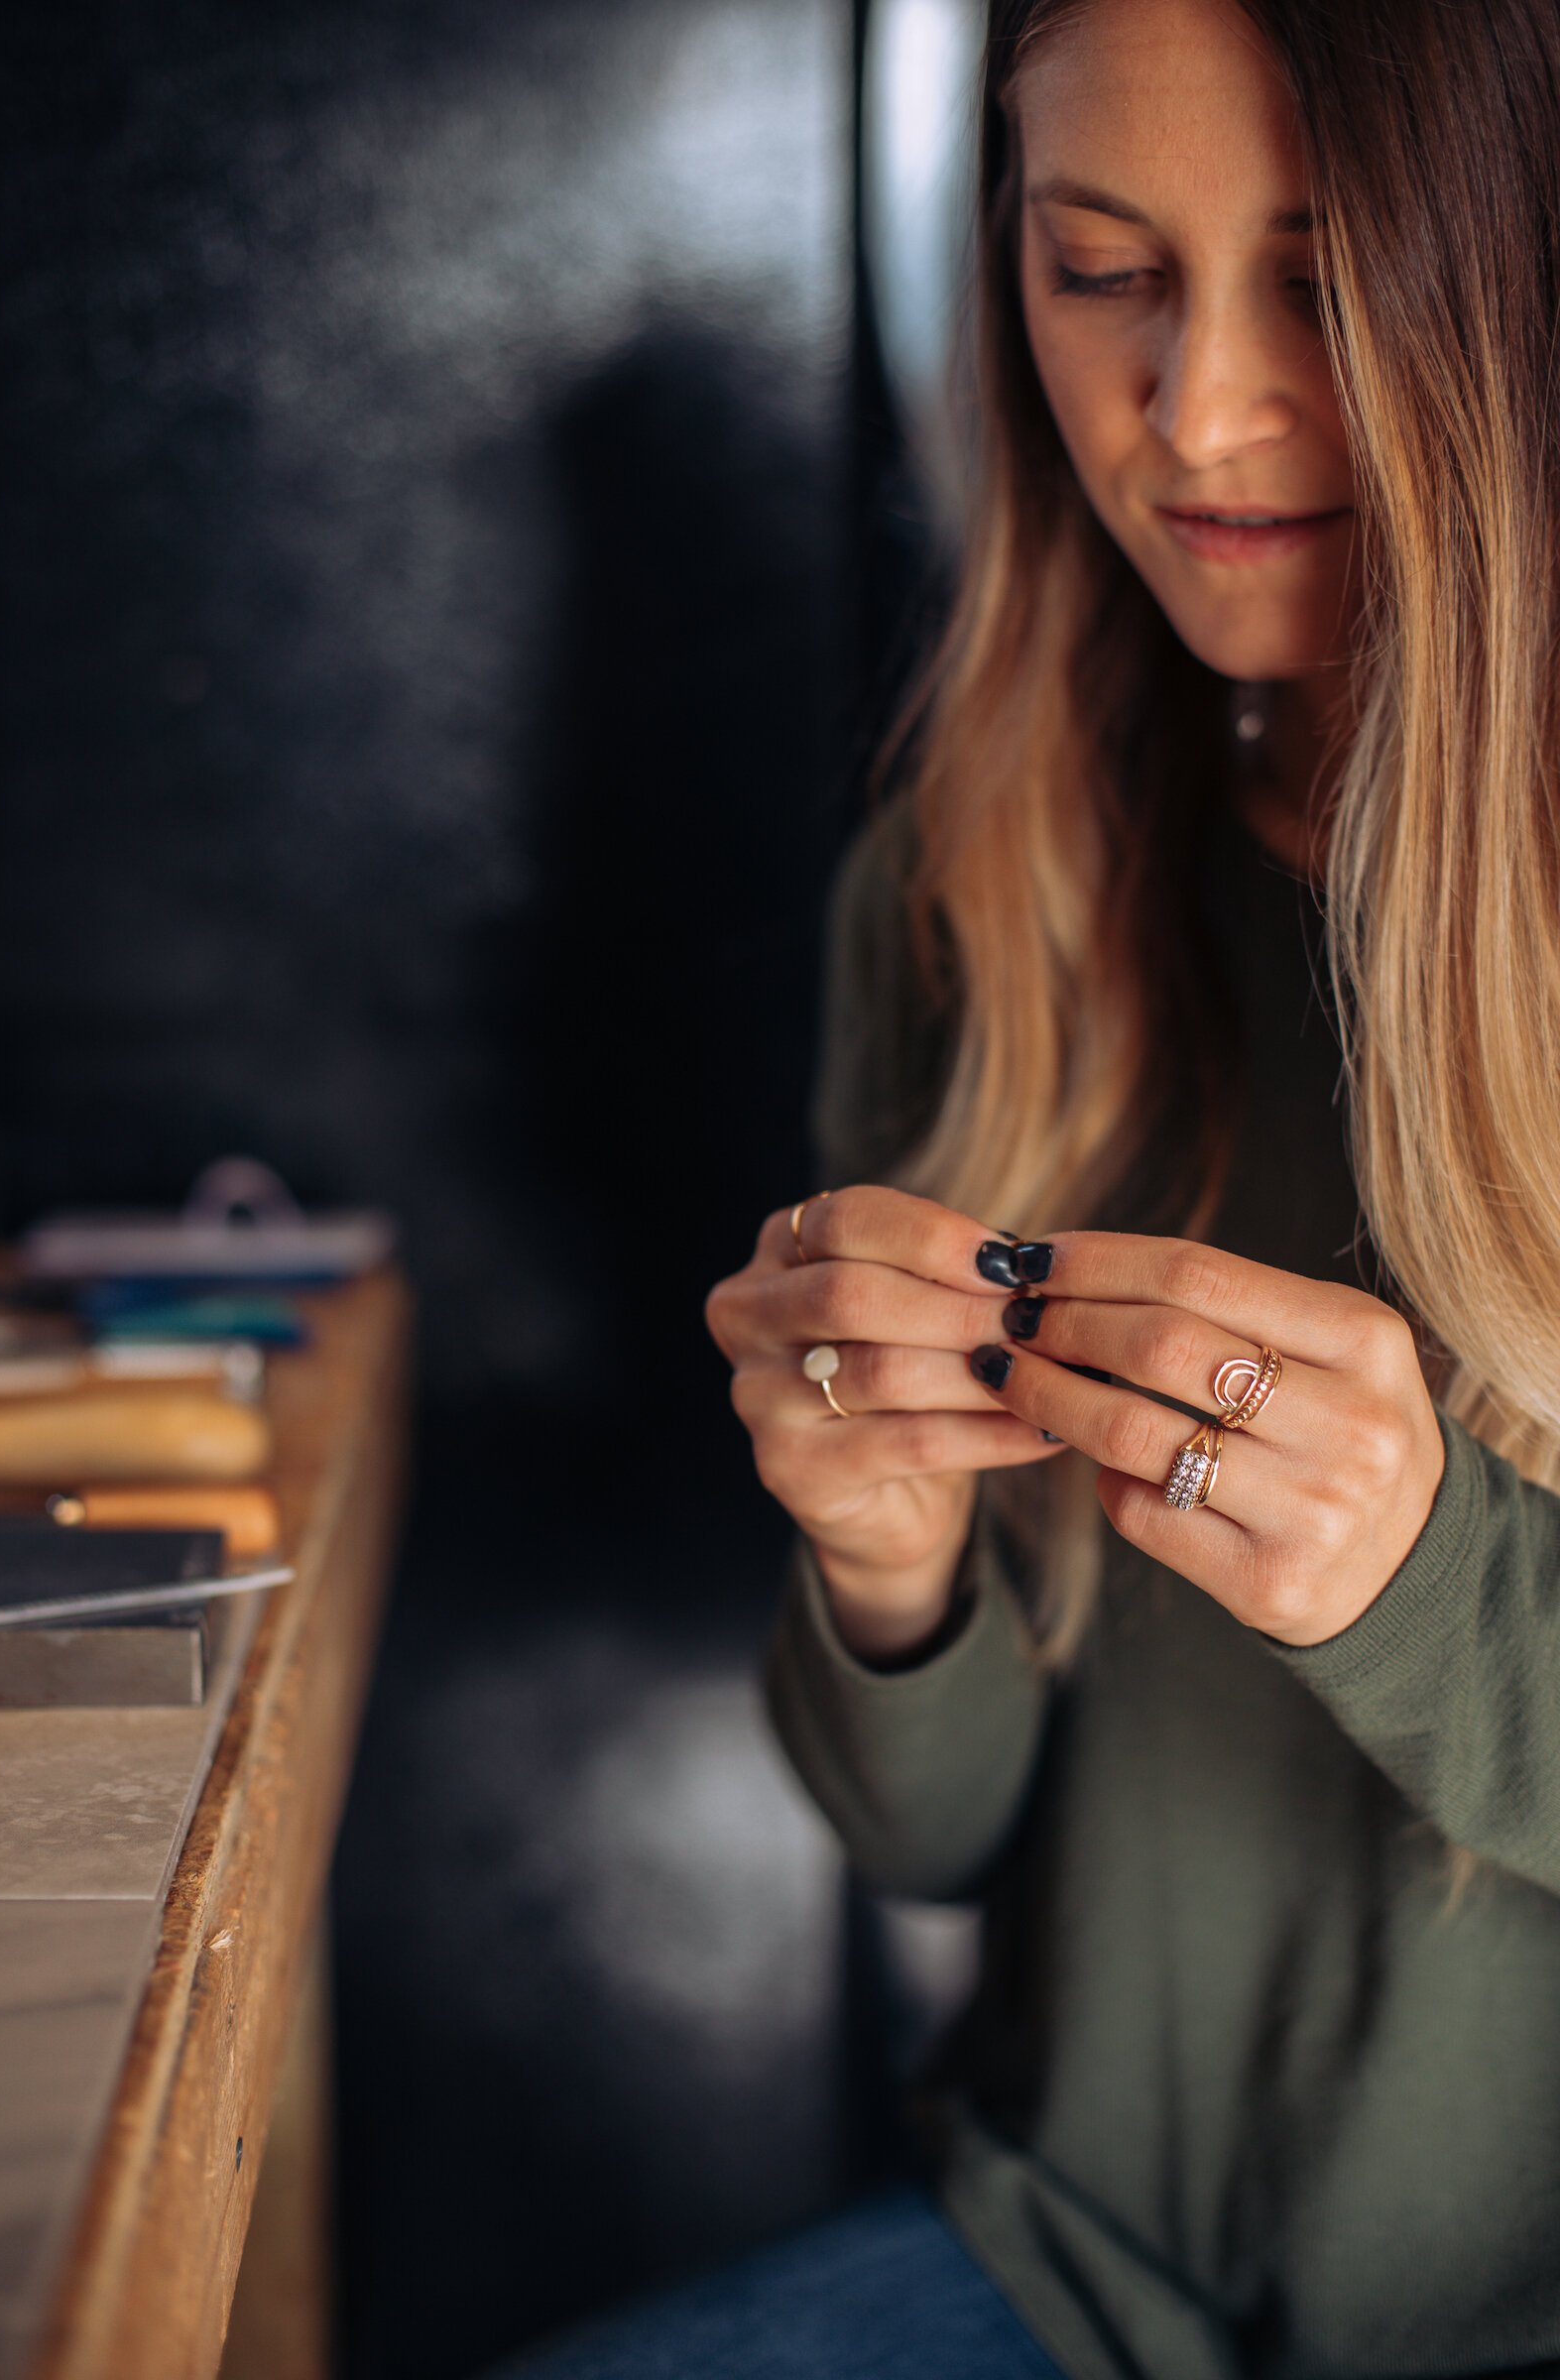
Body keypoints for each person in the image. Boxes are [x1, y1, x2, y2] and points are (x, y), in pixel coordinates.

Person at [500, 0, 1560, 2371]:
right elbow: (928, 1841)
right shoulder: (974, 892)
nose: (1195, 412)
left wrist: (1433, 1585)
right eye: (1100, 269)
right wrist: (885, 1570)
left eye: (1317, 275)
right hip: (1064, 2275)